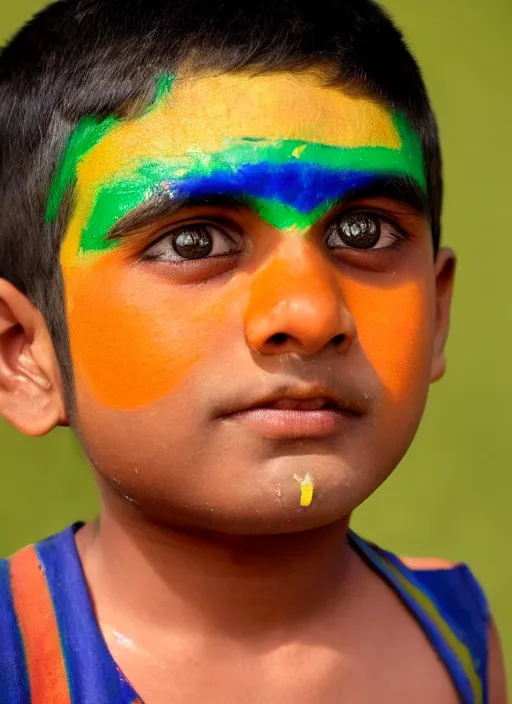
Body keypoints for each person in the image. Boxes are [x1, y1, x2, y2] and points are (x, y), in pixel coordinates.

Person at [0, 0, 506, 701]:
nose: (308, 313)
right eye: (194, 242)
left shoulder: (456, 632)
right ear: (23, 352)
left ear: (438, 315)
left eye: (363, 233)